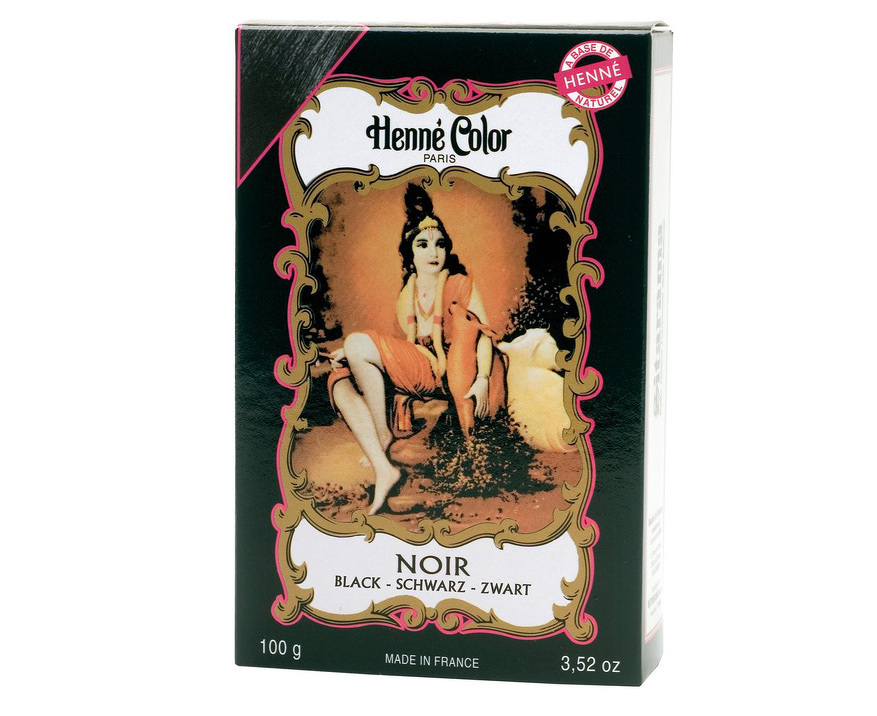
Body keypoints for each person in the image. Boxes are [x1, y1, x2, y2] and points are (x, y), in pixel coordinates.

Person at [328, 184, 496, 514]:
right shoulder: (408, 292)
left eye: (440, 244)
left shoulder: (461, 283)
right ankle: (384, 465)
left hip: (454, 372)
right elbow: (409, 345)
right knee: (339, 377)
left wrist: (483, 378)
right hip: (422, 366)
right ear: (411, 253)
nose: (434, 252)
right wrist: (356, 353)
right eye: (423, 244)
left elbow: (485, 335)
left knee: (356, 343)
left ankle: (381, 437)